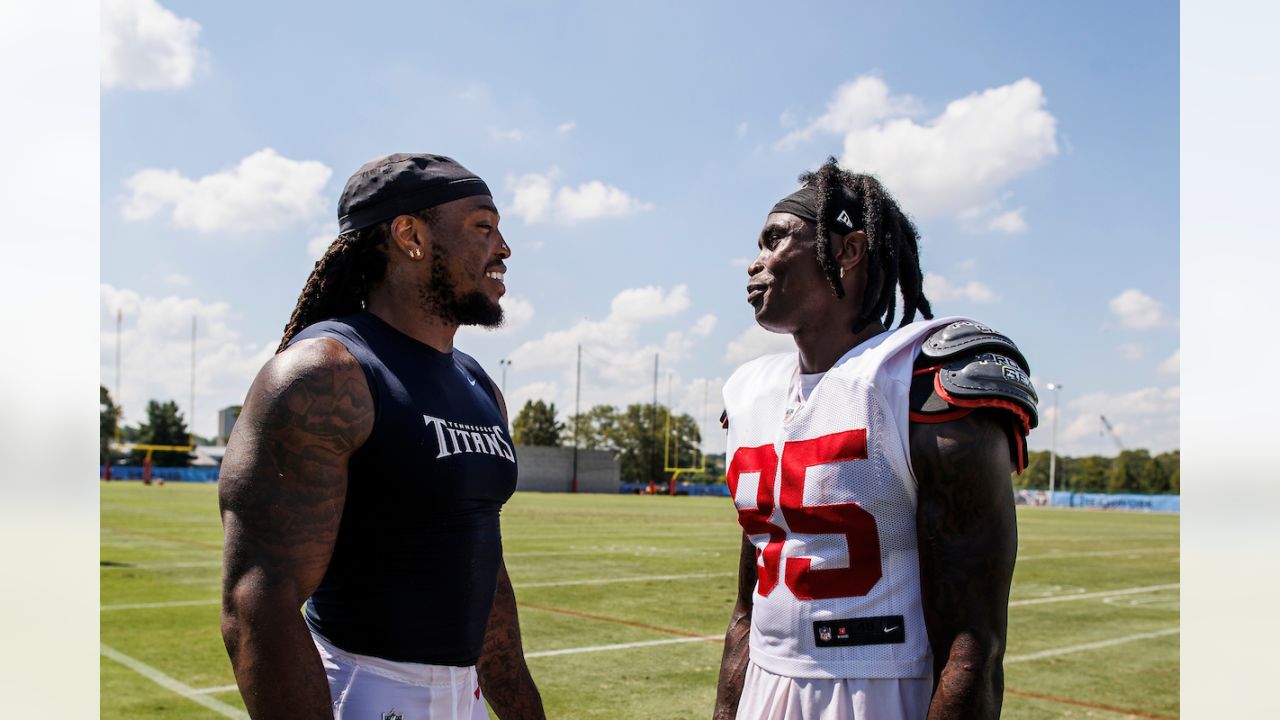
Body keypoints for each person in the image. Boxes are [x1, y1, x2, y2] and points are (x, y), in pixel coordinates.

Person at [219, 153, 545, 719]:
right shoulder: (326, 373)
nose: (504, 248)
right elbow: (258, 607)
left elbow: (484, 570)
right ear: (411, 234)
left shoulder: (478, 383)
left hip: (462, 696)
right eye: (483, 227)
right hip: (365, 695)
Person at [713, 158, 1037, 719]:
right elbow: (747, 609)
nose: (755, 262)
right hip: (766, 686)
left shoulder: (922, 381)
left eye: (775, 240)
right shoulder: (750, 390)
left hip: (881, 692)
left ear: (849, 249)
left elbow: (972, 643)